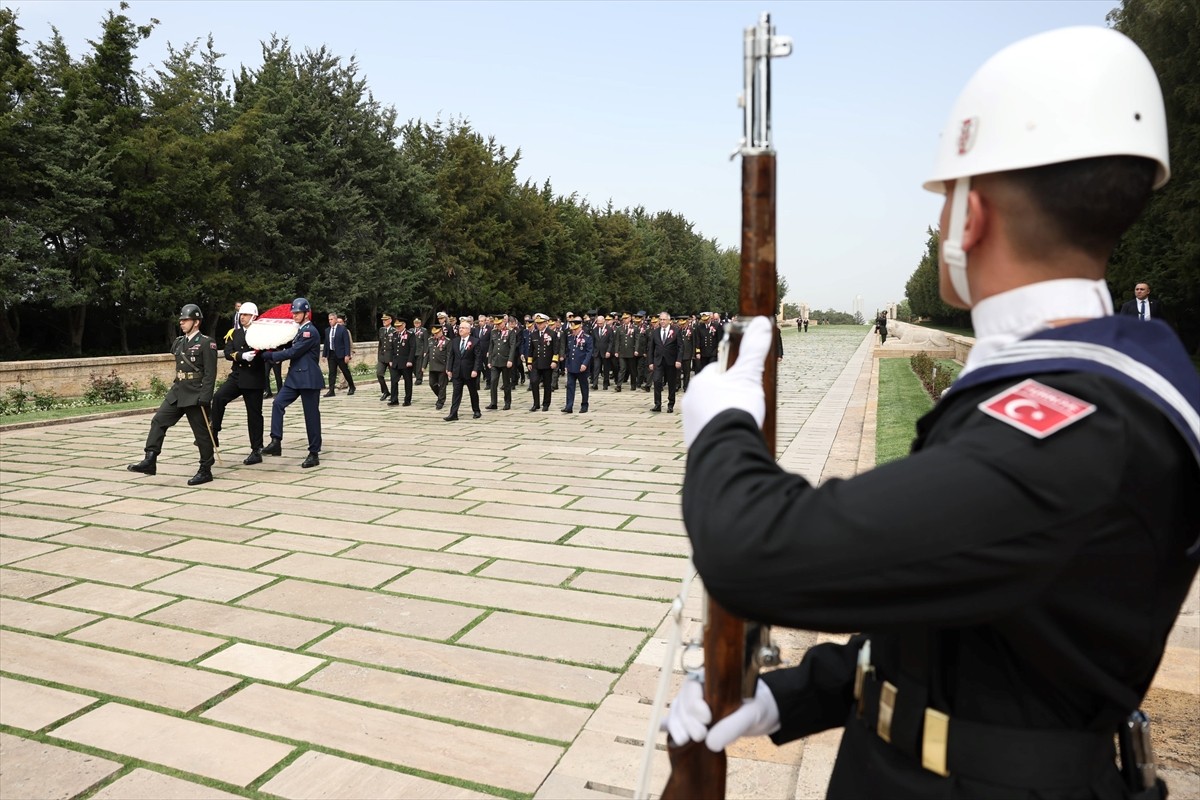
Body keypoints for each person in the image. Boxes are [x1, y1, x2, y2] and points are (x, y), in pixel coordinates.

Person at [665, 26, 1199, 799]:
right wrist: (792, 694)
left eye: (945, 197)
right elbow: (968, 621)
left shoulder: (1078, 422)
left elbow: (753, 551)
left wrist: (722, 427)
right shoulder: (1070, 394)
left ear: (970, 216)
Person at [127, 304, 219, 485]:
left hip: (196, 392)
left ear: (196, 322)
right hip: (178, 390)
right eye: (181, 320)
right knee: (158, 420)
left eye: (186, 320)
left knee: (201, 433)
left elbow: (210, 373)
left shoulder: (206, 343)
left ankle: (205, 469)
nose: (182, 323)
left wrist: (206, 396)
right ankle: (150, 459)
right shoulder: (179, 342)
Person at [261, 297, 323, 468]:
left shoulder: (310, 331)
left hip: (308, 379)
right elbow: (288, 347)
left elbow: (294, 352)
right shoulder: (298, 331)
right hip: (294, 378)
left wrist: (271, 355)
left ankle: (314, 453)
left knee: (311, 416)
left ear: (306, 313)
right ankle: (276, 441)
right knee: (277, 404)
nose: (294, 315)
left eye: (297, 313)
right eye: (293, 312)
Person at [210, 301, 267, 465]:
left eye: (246, 315)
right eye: (241, 314)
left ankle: (256, 450)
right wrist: (242, 356)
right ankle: (214, 431)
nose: (242, 317)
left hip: (254, 378)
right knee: (219, 397)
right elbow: (228, 352)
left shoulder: (262, 333)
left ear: (254, 316)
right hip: (237, 376)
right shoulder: (234, 333)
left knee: (254, 415)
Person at [444, 319, 485, 421]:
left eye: (463, 328)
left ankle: (476, 410)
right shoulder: (455, 341)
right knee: (456, 393)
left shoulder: (475, 341)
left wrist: (475, 370)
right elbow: (451, 356)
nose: (460, 329)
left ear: (468, 330)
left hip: (469, 371)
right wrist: (449, 369)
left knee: (473, 392)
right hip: (457, 371)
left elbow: (478, 357)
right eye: (460, 328)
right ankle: (453, 414)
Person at [647, 310, 681, 413]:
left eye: (664, 319)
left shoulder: (676, 331)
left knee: (671, 383)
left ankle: (670, 404)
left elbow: (680, 347)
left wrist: (678, 360)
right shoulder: (655, 332)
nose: (662, 321)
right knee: (657, 381)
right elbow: (651, 348)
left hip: (671, 361)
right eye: (660, 319)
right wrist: (650, 362)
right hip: (658, 361)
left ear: (669, 320)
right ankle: (657, 404)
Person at [526, 312, 559, 411]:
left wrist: (554, 361)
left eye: (541, 323)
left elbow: (555, 349)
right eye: (537, 323)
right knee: (534, 382)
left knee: (547, 384)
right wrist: (529, 362)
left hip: (547, 362)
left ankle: (546, 403)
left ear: (546, 323)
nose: (539, 325)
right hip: (536, 363)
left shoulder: (552, 334)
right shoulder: (534, 334)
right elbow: (531, 350)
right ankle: (536, 403)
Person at [485, 313, 518, 411]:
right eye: (496, 324)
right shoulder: (493, 332)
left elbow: (512, 347)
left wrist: (510, 360)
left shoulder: (510, 332)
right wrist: (489, 360)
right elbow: (491, 346)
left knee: (506, 383)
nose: (497, 326)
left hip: (505, 360)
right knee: (493, 381)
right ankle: (493, 402)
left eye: (499, 324)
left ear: (504, 322)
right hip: (495, 360)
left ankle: (507, 402)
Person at [561, 314, 593, 414]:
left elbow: (589, 352)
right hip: (571, 366)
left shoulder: (587, 338)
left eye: (575, 329)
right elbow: (568, 352)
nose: (573, 331)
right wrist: (566, 365)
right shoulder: (570, 337)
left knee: (584, 386)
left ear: (580, 328)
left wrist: (585, 364)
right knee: (570, 386)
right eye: (572, 329)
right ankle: (569, 406)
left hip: (581, 366)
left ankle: (584, 405)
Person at [323, 312, 355, 397]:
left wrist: (347, 355)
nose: (330, 321)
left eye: (331, 319)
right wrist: (324, 355)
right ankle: (331, 390)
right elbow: (326, 343)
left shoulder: (342, 329)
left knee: (345, 371)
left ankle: (352, 386)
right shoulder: (327, 330)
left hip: (340, 354)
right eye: (329, 319)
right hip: (331, 354)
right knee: (332, 373)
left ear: (336, 319)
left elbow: (346, 342)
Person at [388, 316, 415, 406]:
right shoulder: (394, 334)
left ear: (404, 325)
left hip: (406, 361)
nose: (397, 328)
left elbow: (412, 348)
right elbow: (391, 348)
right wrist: (390, 360)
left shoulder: (410, 334)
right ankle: (394, 399)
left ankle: (407, 400)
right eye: (396, 326)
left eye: (399, 326)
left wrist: (410, 360)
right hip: (396, 362)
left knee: (408, 381)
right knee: (394, 380)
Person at [425, 321, 450, 410]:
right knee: (432, 384)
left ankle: (440, 401)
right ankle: (440, 396)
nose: (435, 335)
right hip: (433, 366)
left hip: (442, 366)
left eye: (437, 333)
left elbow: (449, 356)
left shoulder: (447, 341)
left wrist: (448, 368)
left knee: (442, 385)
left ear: (441, 331)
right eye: (434, 333)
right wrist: (424, 365)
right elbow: (427, 353)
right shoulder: (430, 340)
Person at [375, 313, 394, 400]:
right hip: (382, 356)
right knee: (379, 374)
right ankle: (385, 391)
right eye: (383, 320)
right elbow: (380, 343)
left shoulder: (394, 330)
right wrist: (379, 355)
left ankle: (394, 394)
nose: (384, 321)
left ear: (390, 320)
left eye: (386, 320)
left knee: (393, 377)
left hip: (391, 357)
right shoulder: (381, 330)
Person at [411, 316, 429, 385]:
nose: (416, 324)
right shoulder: (411, 330)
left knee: (419, 366)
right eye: (415, 323)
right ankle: (417, 376)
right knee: (413, 366)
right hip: (413, 351)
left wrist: (425, 351)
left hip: (420, 350)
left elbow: (426, 342)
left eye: (418, 323)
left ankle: (419, 379)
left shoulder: (424, 330)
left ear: (420, 323)